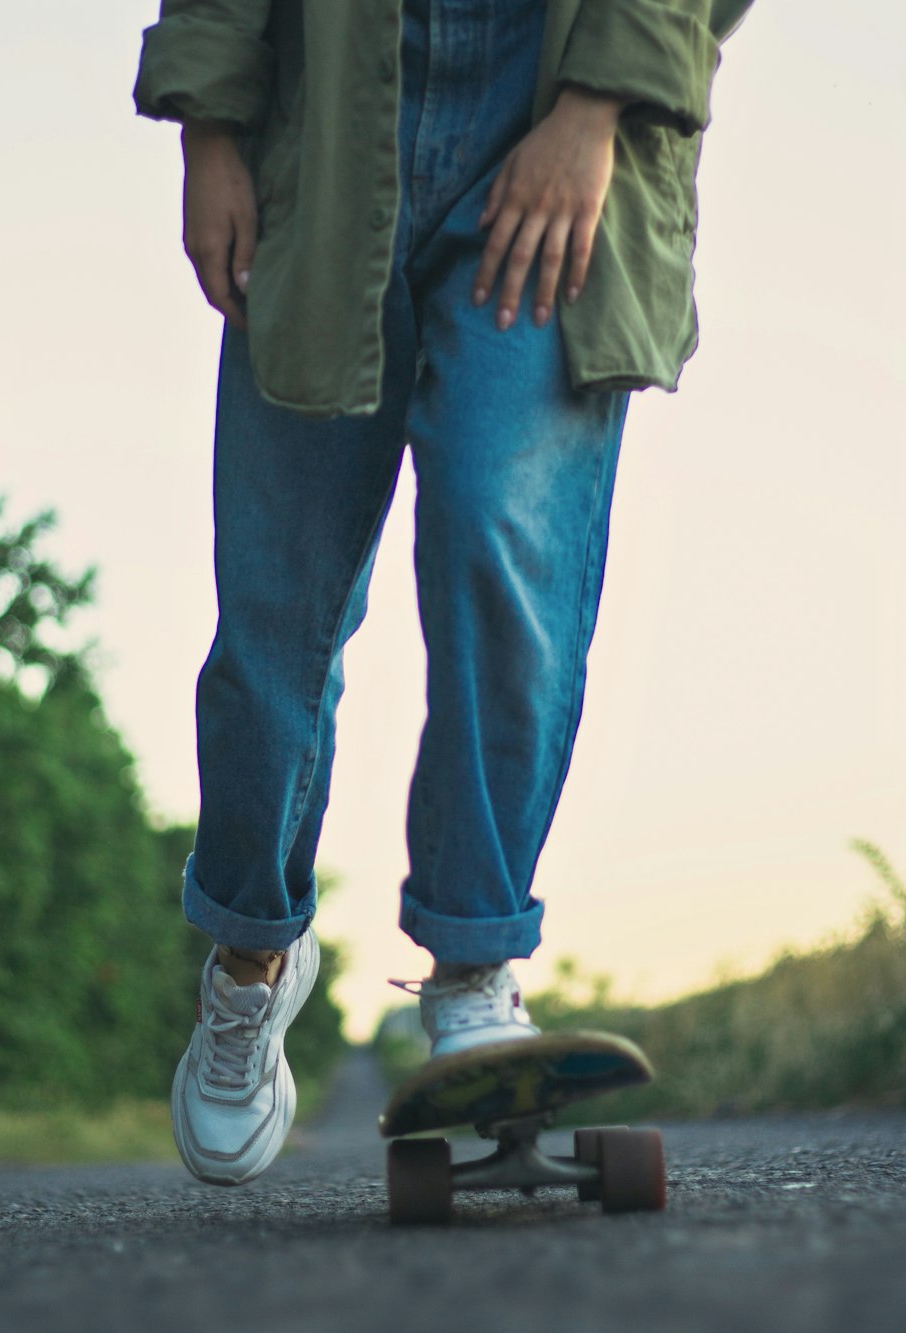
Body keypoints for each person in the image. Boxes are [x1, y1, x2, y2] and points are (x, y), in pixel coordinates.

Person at [133, 0, 753, 1186]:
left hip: (550, 114)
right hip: (327, 125)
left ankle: (474, 964)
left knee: (501, 553)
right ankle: (253, 956)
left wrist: (595, 105)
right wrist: (208, 126)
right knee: (275, 620)